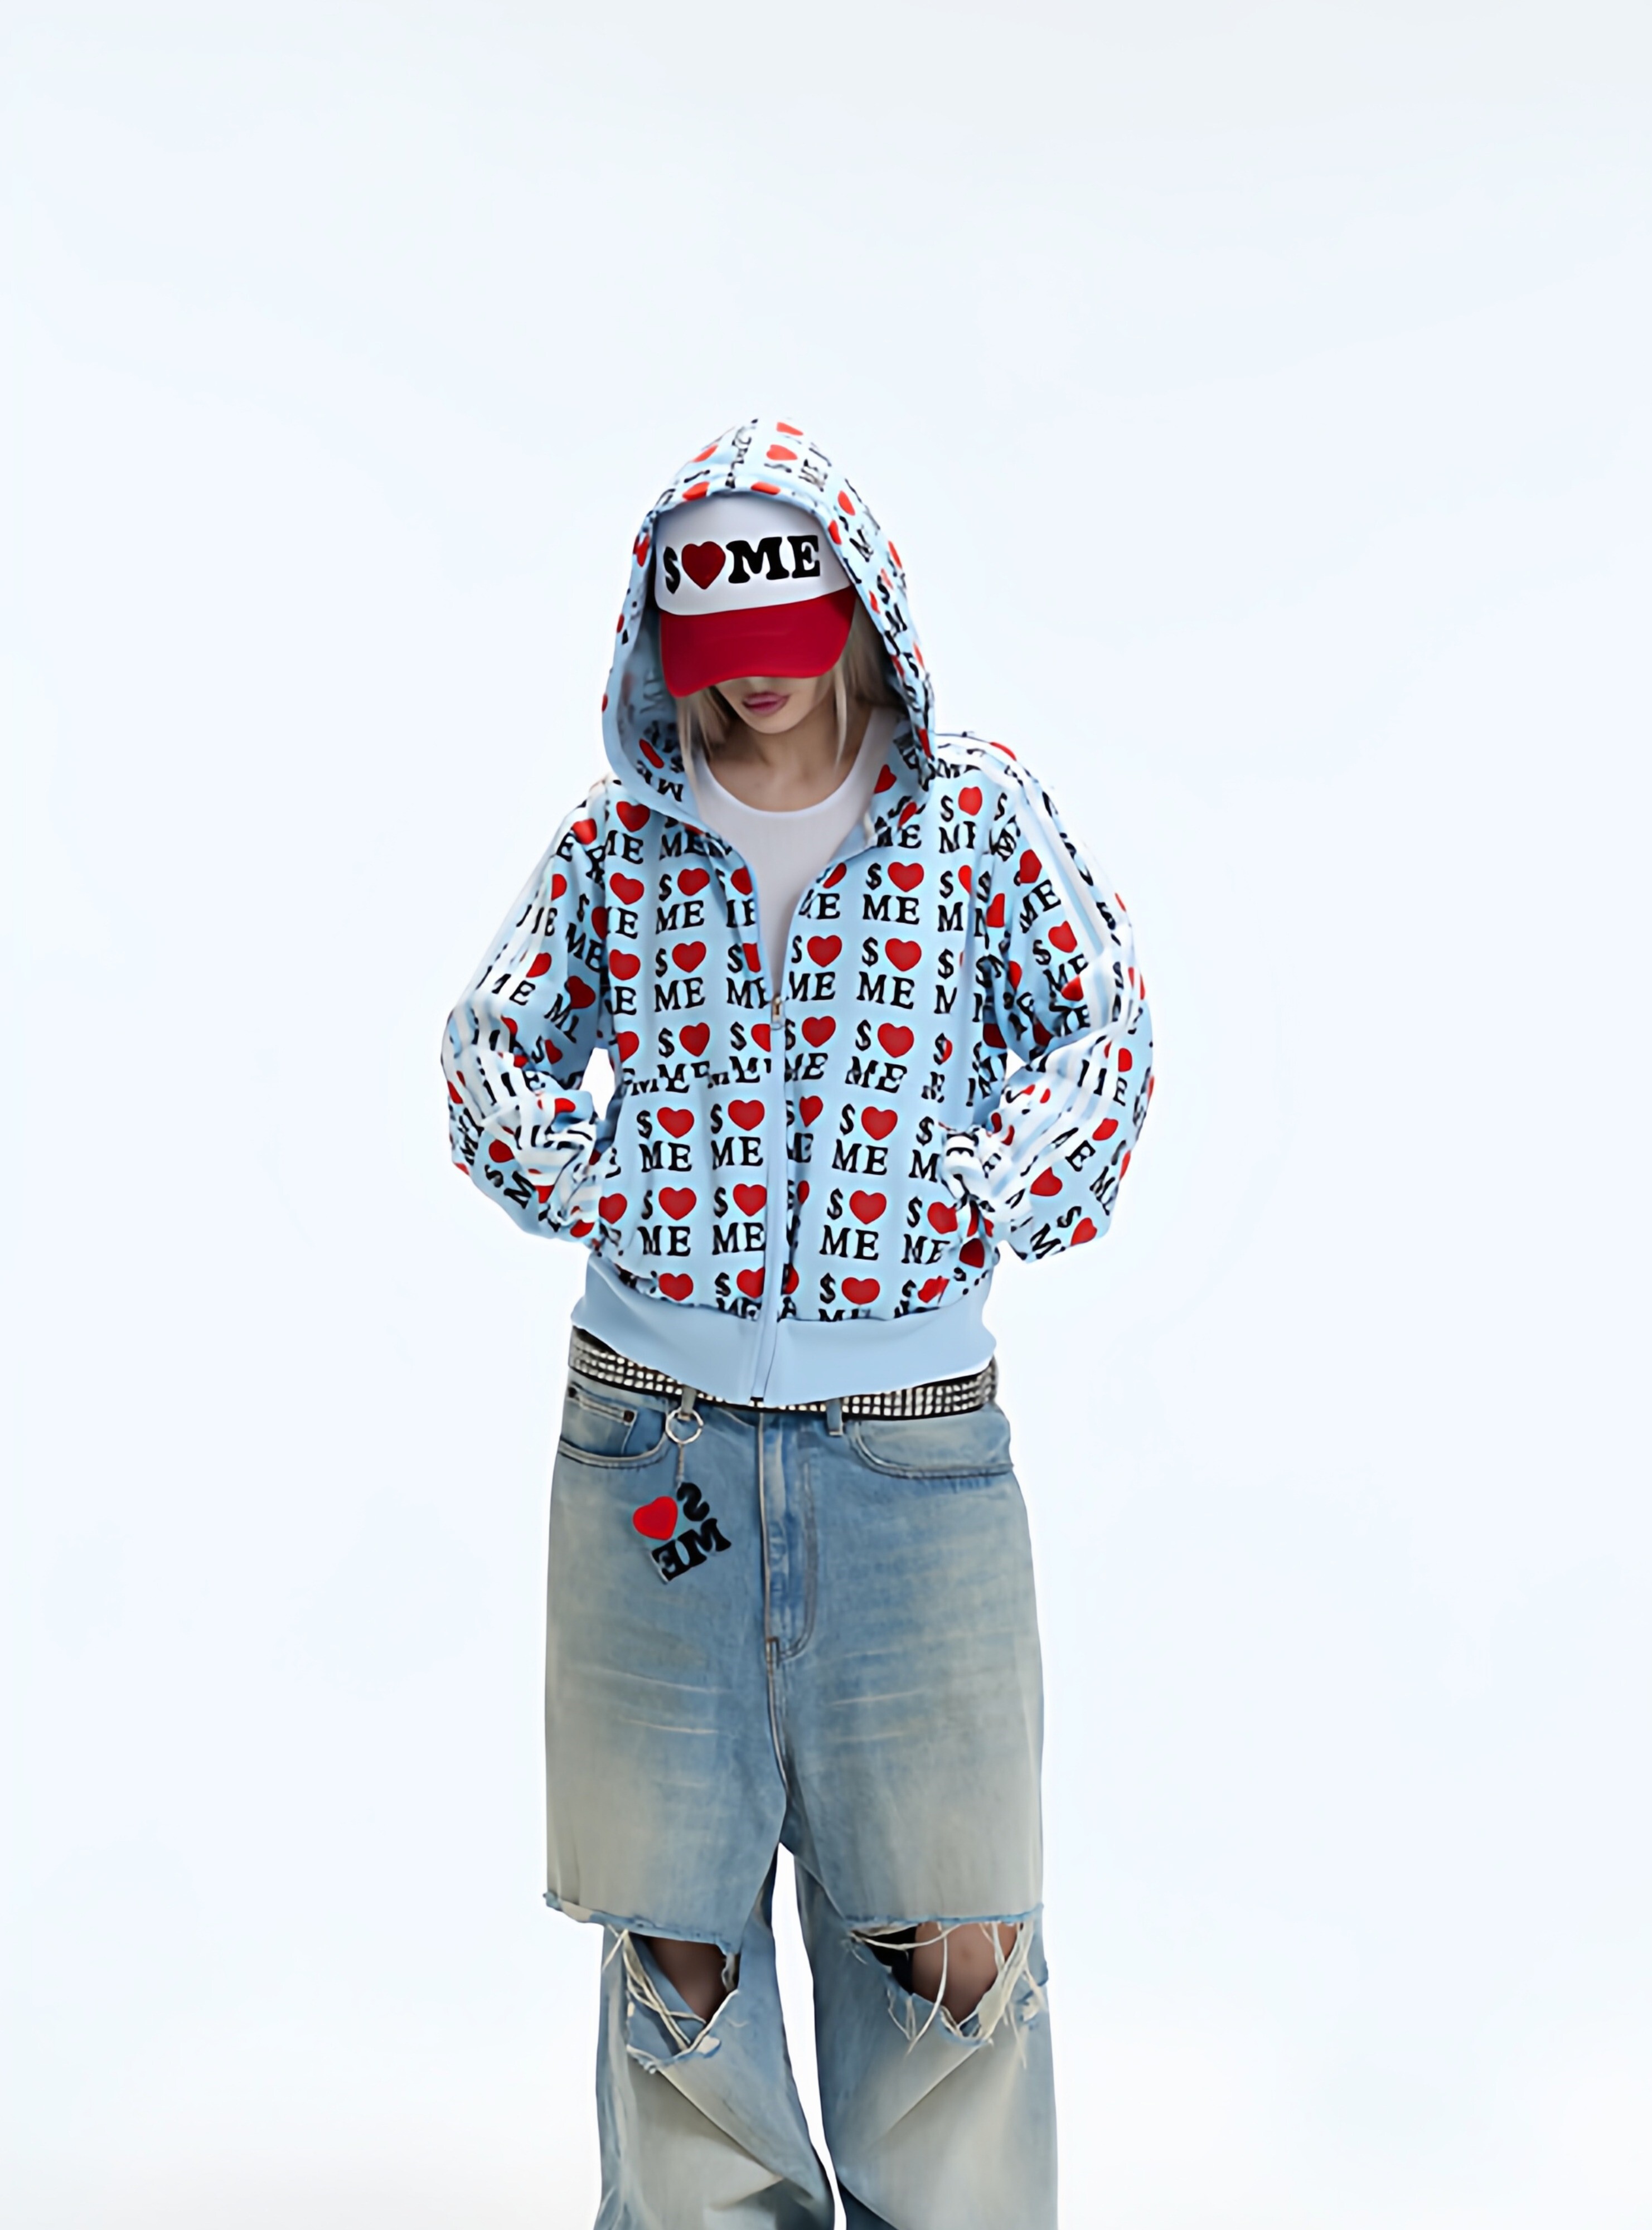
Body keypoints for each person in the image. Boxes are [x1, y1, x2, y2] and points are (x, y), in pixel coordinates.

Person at [443, 418, 1153, 2229]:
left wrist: (986, 1188)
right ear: (661, 636)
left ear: (861, 610)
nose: (753, 686)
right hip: (652, 1453)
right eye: (714, 649)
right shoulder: (621, 841)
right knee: (673, 1936)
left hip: (911, 1459)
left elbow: (1104, 1027)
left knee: (956, 1939)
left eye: (784, 636)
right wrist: (605, 1180)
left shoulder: (973, 817)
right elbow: (491, 1047)